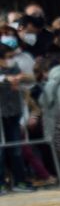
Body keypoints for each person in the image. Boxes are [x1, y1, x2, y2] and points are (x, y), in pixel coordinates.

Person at [0, 38, 35, 193]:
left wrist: (21, 77)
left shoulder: (14, 67)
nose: (11, 59)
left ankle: (19, 181)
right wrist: (5, 79)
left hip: (14, 112)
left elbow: (31, 79)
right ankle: (1, 183)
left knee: (16, 149)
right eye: (8, 57)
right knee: (0, 151)